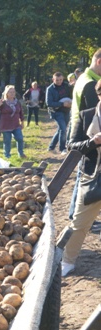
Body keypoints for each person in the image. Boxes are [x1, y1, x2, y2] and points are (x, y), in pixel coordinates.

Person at [62, 87, 101, 277]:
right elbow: (71, 145)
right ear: (99, 94)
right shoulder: (86, 115)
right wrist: (93, 142)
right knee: (79, 223)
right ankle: (67, 261)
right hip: (92, 177)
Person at [68, 48, 101, 220]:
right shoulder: (90, 84)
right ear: (99, 62)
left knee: (83, 175)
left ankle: (75, 214)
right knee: (86, 175)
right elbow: (95, 112)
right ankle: (77, 214)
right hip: (88, 132)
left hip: (79, 128)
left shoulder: (83, 78)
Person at [0, 85, 25, 159]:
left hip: (16, 125)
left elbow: (21, 112)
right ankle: (7, 155)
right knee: (7, 141)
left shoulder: (17, 102)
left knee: (20, 138)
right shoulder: (3, 102)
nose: (12, 93)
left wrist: (22, 122)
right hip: (5, 126)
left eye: (13, 92)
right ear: (6, 93)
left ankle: (21, 153)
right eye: (10, 92)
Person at [46, 72, 72, 154]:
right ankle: (62, 148)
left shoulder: (66, 86)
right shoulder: (50, 89)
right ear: (53, 79)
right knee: (63, 129)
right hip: (56, 111)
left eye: (61, 79)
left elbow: (72, 94)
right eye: (57, 80)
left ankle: (51, 147)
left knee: (61, 130)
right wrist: (62, 104)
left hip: (66, 110)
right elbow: (49, 103)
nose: (59, 81)